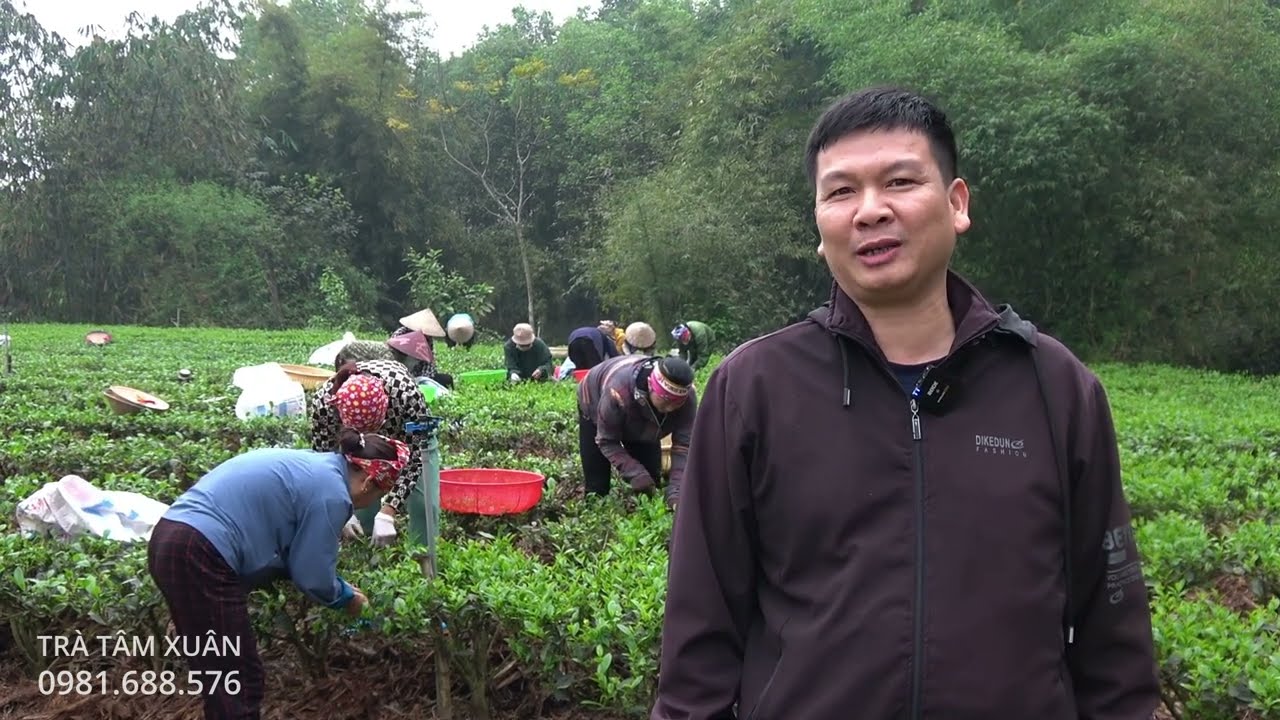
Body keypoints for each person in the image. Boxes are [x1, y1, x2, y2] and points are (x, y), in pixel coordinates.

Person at [652, 86, 1160, 719]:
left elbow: (1113, 635)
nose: (870, 211)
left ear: (956, 204)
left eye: (899, 181)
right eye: (840, 192)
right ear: (818, 225)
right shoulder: (752, 388)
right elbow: (701, 629)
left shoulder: (1054, 387)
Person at [148, 431, 409, 719]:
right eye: (379, 494)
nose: (374, 500)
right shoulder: (333, 493)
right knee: (238, 680)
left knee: (221, 674)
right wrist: (348, 599)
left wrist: (335, 582)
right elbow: (311, 576)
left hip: (172, 536)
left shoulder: (319, 466)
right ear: (368, 482)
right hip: (201, 552)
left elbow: (294, 557)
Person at [310, 360, 440, 550]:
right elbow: (323, 461)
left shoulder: (406, 395)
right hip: (353, 446)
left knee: (424, 504)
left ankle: (424, 558)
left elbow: (416, 456)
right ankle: (370, 554)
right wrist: (341, 507)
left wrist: (389, 509)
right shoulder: (325, 404)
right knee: (361, 497)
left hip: (409, 434)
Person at [576, 355, 696, 509]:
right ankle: (595, 510)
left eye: (676, 404)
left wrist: (677, 490)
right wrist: (633, 471)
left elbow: (684, 445)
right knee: (598, 485)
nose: (670, 409)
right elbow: (606, 440)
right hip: (594, 397)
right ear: (650, 385)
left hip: (642, 413)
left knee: (651, 481)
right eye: (666, 401)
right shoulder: (617, 392)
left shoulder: (688, 398)